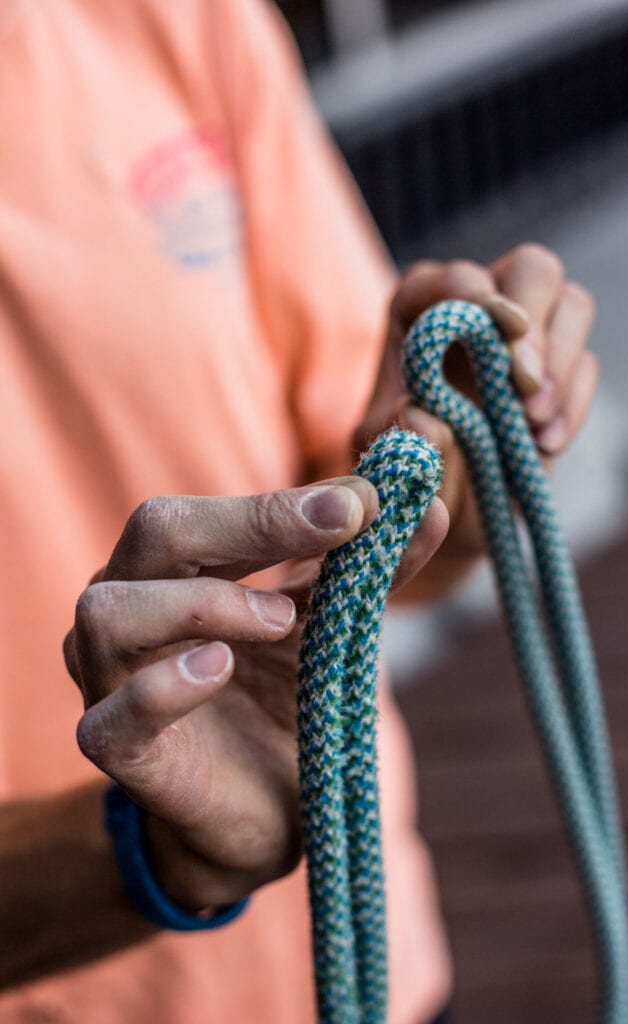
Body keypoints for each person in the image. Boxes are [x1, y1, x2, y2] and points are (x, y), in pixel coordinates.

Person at [0, 0, 597, 1021]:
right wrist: (147, 851)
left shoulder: (180, 20)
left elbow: (393, 553)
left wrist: (455, 462)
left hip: (369, 957)